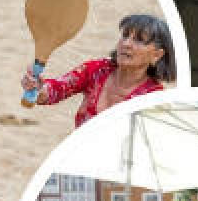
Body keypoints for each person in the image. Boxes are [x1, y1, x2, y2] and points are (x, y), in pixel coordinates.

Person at [21, 14, 176, 127]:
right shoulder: (98, 70)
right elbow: (56, 90)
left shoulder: (153, 99)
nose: (126, 43)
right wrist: (38, 89)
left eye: (139, 40)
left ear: (157, 55)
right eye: (125, 35)